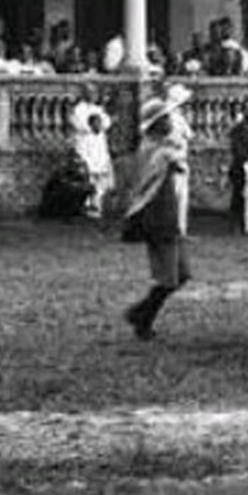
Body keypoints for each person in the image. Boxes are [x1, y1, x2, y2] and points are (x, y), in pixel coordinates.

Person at [122, 93, 192, 339]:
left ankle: (141, 314)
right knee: (170, 278)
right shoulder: (156, 151)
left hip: (167, 215)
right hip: (158, 218)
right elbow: (177, 160)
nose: (170, 122)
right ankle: (140, 316)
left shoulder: (153, 149)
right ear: (156, 124)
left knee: (180, 274)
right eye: (166, 118)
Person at [69, 89, 114, 219]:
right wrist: (92, 125)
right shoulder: (79, 109)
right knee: (87, 176)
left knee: (101, 177)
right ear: (85, 94)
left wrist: (100, 124)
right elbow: (79, 124)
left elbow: (106, 122)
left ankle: (97, 205)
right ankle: (86, 205)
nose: (94, 95)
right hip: (86, 147)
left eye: (95, 93)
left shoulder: (98, 109)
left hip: (99, 148)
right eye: (90, 93)